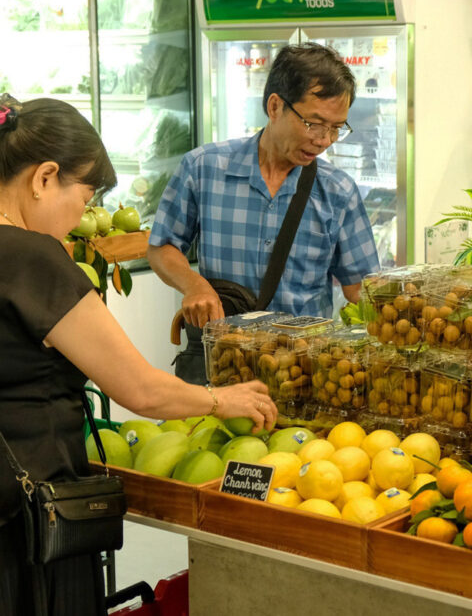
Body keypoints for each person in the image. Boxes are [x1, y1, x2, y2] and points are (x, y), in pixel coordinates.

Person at [0, 95, 278, 616]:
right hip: (28, 521)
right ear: (44, 178)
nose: (81, 216)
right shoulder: (31, 257)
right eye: (84, 197)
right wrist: (221, 399)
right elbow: (140, 389)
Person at [147, 42, 380, 332]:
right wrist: (194, 286)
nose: (324, 140)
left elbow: (362, 289)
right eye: (314, 123)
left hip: (302, 366)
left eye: (336, 128)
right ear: (275, 106)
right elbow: (162, 247)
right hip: (224, 358)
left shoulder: (338, 192)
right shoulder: (203, 168)